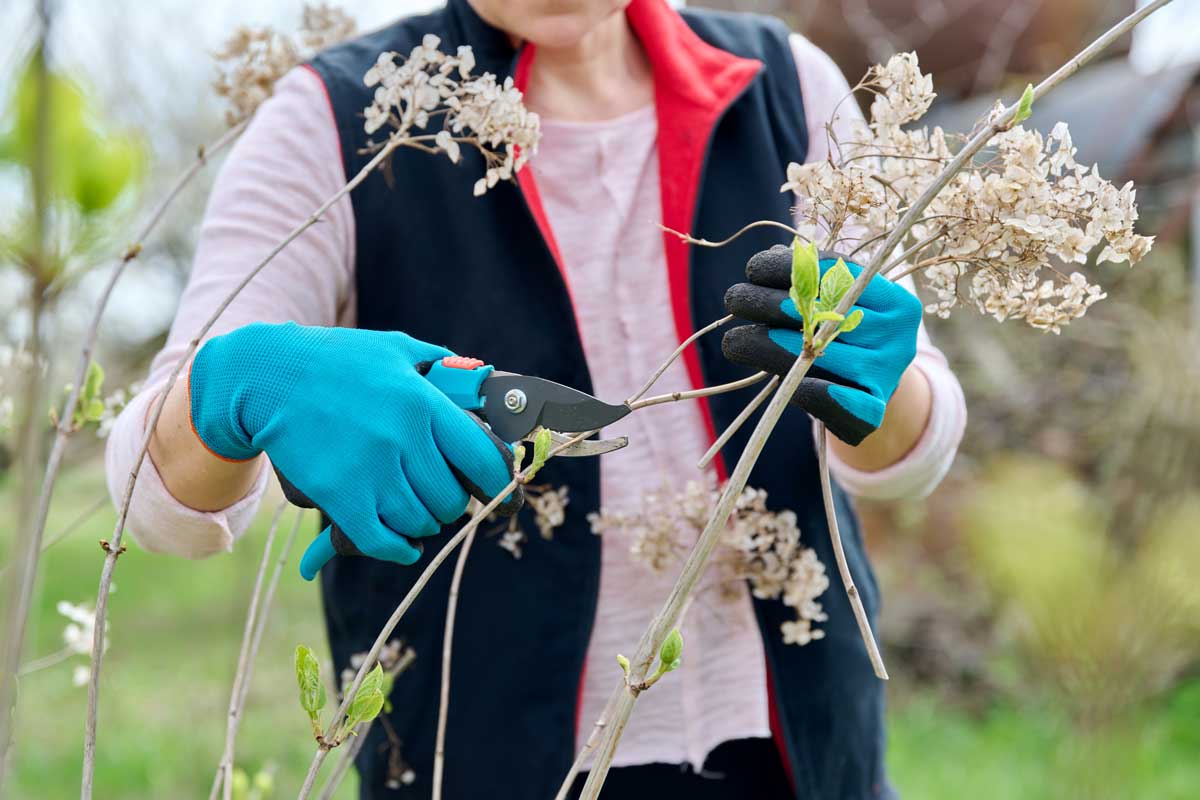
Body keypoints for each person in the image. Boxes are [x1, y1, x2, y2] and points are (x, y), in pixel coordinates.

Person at [106, 0, 966, 797]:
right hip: (477, 758)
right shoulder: (333, 119)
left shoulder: (790, 85)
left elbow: (907, 457)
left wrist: (882, 395)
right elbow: (150, 495)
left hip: (803, 750)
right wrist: (243, 383)